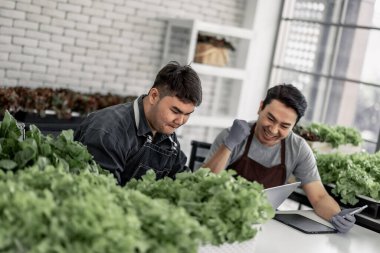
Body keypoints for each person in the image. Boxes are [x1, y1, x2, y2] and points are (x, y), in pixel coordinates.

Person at [203, 84, 356, 233]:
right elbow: (204, 182)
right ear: (260, 107)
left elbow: (319, 197)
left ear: (294, 126)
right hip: (220, 220)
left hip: (264, 226)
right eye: (270, 118)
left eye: (284, 126)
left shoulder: (298, 149)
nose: (273, 129)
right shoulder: (233, 135)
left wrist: (337, 215)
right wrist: (229, 145)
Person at [75, 61, 202, 186]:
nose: (180, 121)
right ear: (153, 96)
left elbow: (184, 179)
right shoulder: (108, 132)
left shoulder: (167, 135)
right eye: (175, 111)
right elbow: (102, 194)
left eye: (187, 114)